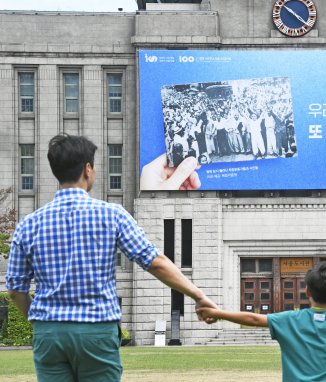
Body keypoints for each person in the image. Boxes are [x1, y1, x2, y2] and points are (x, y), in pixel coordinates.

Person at [6, 134, 217, 382]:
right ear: (88, 169)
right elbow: (155, 262)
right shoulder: (112, 215)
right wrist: (198, 295)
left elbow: (15, 290)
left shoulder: (28, 225)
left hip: (50, 332)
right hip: (96, 329)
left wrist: (43, 322)